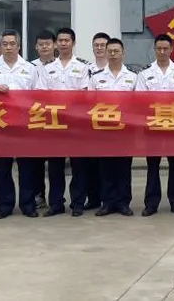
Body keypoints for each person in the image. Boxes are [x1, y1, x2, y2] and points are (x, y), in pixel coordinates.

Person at [0, 29, 39, 219]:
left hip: (23, 124)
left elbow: (38, 94)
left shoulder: (30, 68)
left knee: (26, 167)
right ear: (0, 47)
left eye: (12, 44)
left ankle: (28, 204)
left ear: (19, 46)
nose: (9, 47)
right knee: (2, 168)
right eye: (5, 44)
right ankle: (4, 205)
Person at [36, 28, 94, 217]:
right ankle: (56, 203)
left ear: (73, 43)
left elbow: (85, 94)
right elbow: (41, 94)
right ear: (55, 44)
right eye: (60, 40)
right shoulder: (47, 68)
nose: (63, 43)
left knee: (79, 166)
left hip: (76, 123)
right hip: (55, 123)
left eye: (66, 40)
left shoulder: (83, 67)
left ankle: (78, 202)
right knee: (55, 167)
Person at [137, 35, 174, 216]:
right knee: (153, 166)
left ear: (171, 49)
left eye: (165, 48)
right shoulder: (145, 73)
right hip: (152, 126)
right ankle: (151, 203)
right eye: (159, 48)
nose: (162, 52)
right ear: (154, 49)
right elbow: (140, 100)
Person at [89, 38, 137, 217]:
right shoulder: (96, 77)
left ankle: (123, 203)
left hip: (125, 130)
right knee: (106, 168)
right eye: (110, 51)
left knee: (124, 168)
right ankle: (107, 203)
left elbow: (138, 103)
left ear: (123, 53)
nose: (113, 54)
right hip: (104, 130)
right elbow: (89, 102)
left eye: (116, 51)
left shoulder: (133, 77)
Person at [83, 32, 112, 211]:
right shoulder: (85, 69)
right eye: (97, 45)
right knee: (91, 164)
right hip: (90, 123)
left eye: (103, 45)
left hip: (112, 123)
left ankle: (109, 199)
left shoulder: (117, 69)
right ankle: (93, 199)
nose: (100, 48)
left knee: (108, 165)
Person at [30, 30, 56, 210]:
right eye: (41, 44)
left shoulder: (63, 66)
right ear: (36, 47)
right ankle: (39, 196)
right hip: (36, 120)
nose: (44, 47)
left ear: (54, 45)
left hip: (58, 121)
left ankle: (56, 199)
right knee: (36, 163)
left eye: (48, 44)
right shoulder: (29, 67)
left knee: (56, 164)